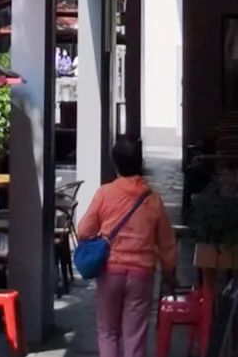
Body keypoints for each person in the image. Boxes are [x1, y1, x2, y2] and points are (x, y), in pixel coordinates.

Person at [75, 136, 178, 357]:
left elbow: (83, 230)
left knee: (108, 332)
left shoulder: (105, 193)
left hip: (110, 271)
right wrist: (169, 273)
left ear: (115, 162)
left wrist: (102, 236)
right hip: (142, 274)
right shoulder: (153, 200)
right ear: (140, 162)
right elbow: (167, 243)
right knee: (135, 336)